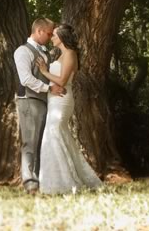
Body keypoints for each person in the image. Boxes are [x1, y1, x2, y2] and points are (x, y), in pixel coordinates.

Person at [35, 23, 103, 194]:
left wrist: (44, 71)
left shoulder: (70, 54)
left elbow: (63, 81)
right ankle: (57, 180)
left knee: (54, 134)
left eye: (55, 35)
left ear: (63, 37)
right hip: (54, 100)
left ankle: (66, 182)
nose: (52, 37)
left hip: (62, 100)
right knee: (58, 135)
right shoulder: (61, 55)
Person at [14, 18, 67, 194]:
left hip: (46, 102)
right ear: (39, 31)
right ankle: (29, 181)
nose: (51, 36)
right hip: (29, 100)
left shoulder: (46, 53)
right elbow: (26, 79)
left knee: (40, 143)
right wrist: (49, 88)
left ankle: (38, 180)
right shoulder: (22, 51)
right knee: (29, 142)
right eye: (49, 33)